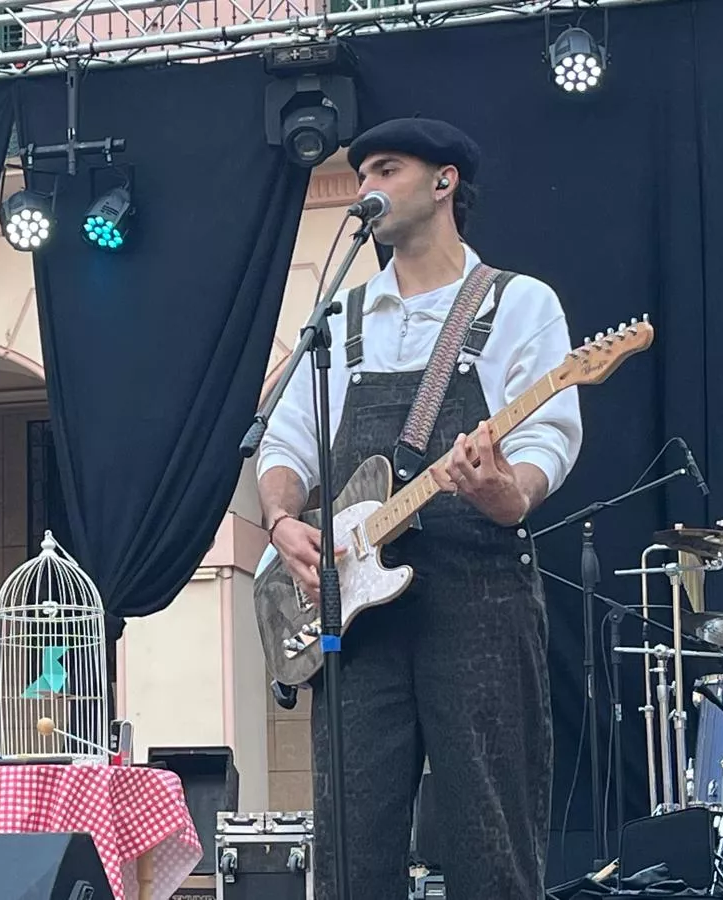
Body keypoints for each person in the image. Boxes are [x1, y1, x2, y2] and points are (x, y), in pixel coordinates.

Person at [256, 118, 582, 899]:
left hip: (478, 592)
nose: (367, 184)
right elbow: (285, 445)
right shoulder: (339, 318)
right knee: (349, 847)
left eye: (387, 169)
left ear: (444, 184)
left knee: (488, 833)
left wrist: (510, 492)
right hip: (357, 611)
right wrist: (281, 521)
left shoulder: (517, 302)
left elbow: (550, 435)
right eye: (362, 171)